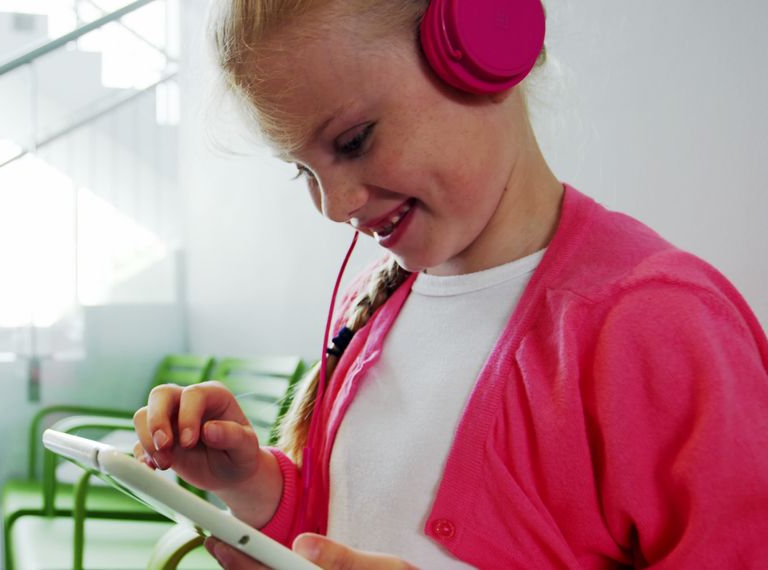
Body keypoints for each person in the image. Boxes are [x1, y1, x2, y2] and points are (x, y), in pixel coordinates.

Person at [133, 0, 768, 567]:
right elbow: (345, 529)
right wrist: (253, 488)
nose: (333, 205)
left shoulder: (658, 323)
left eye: (353, 142)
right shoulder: (368, 310)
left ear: (490, 44)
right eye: (302, 169)